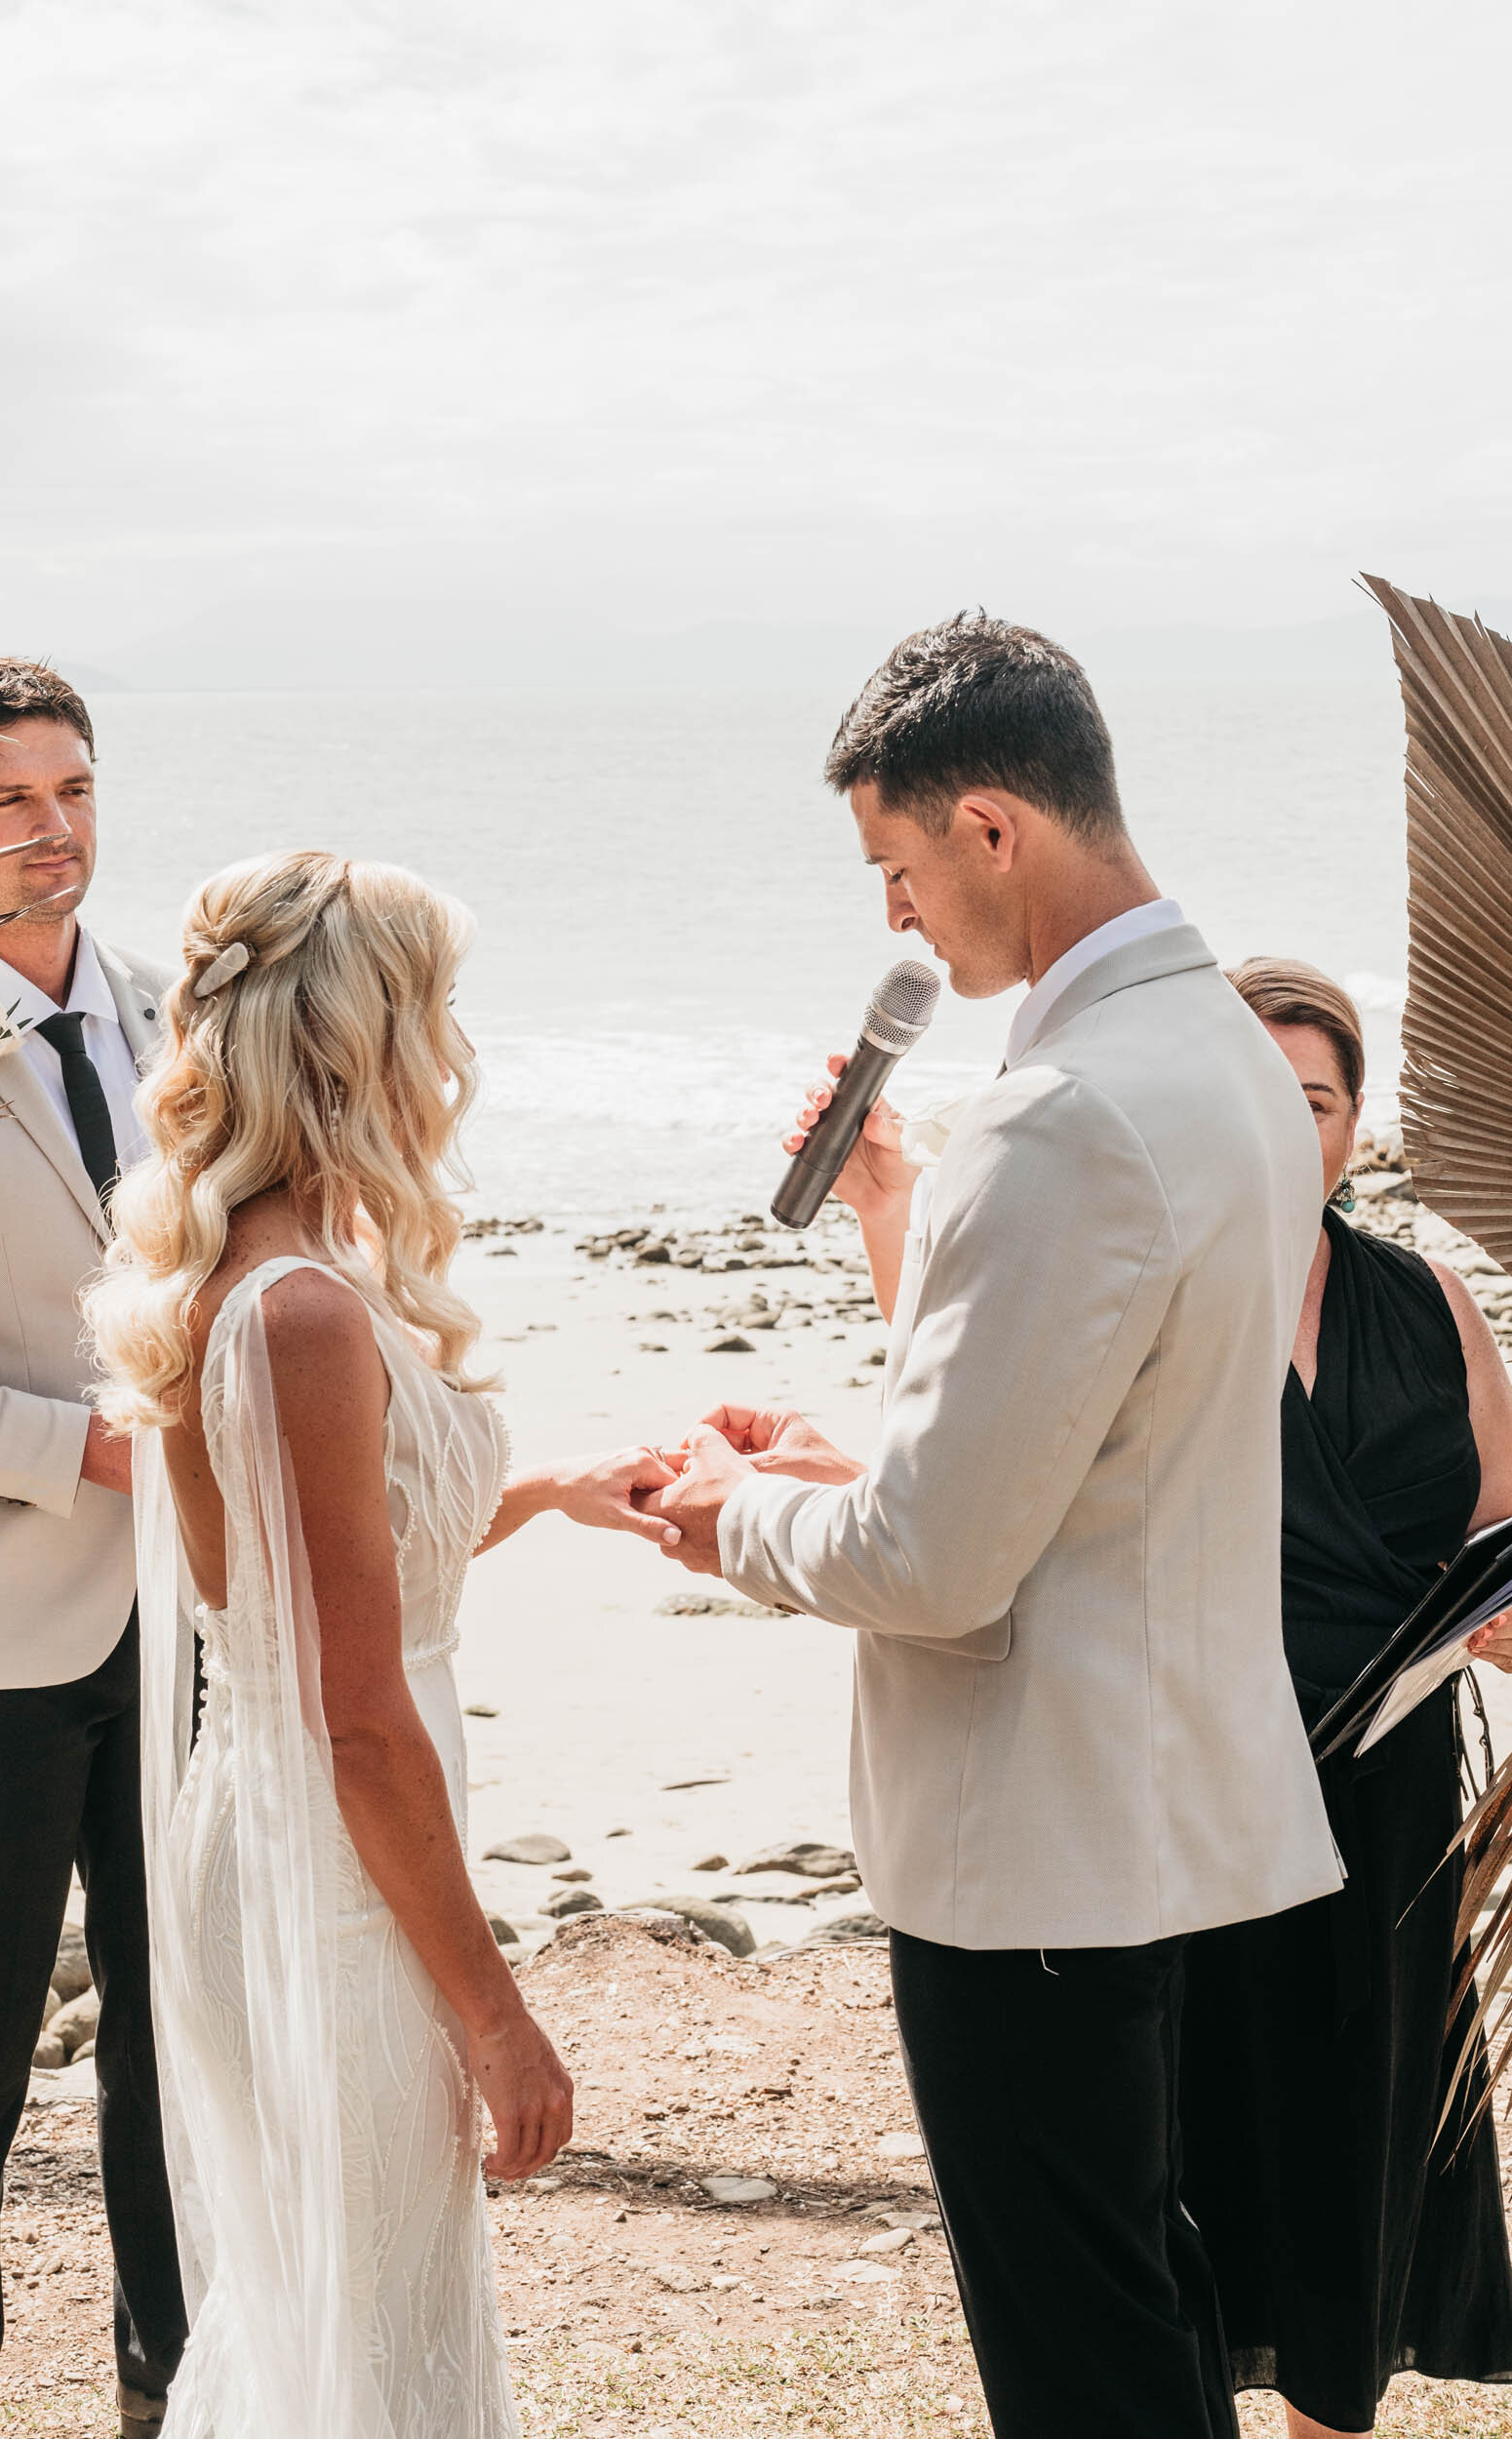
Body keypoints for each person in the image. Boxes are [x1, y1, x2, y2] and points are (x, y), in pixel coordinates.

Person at [652, 612, 1344, 2439]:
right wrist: (851, 1457)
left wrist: (733, 1515)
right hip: (1178, 1809)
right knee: (1149, 2306)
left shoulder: (1058, 1116)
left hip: (1035, 1844)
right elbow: (1088, 1442)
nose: (896, 918)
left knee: (1085, 2361)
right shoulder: (1231, 1063)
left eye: (894, 868)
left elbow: (938, 1567)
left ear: (987, 829)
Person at [85, 849, 679, 2439]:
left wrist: (548, 1491)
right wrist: (497, 2013)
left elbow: (318, 1576)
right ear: (365, 1038)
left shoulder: (269, 1278)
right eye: (439, 1008)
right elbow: (359, 1712)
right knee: (365, 2351)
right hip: (330, 1875)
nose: (455, 1049)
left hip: (287, 1836)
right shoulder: (304, 1316)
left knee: (335, 2329)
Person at [0, 660, 186, 2439]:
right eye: (10, 802)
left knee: (178, 2029)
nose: (54, 832)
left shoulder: (177, 1015)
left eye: (75, 791)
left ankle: (176, 2383)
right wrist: (65, 1448)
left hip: (189, 1621)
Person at [1176, 957, 1512, 2439]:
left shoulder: (1429, 1299)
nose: (1283, 1122)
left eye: (1312, 1097)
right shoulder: (1159, 1298)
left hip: (1395, 1802)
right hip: (1202, 1788)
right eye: (1251, 1093)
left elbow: (1503, 1518)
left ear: (1354, 1126)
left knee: (1359, 2138)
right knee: (1204, 2128)